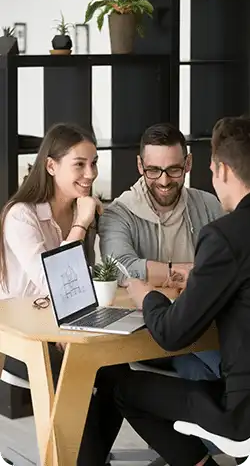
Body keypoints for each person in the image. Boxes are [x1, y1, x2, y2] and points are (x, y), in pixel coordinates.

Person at [115, 116, 250, 466]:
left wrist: (147, 295)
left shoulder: (225, 234)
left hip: (242, 413)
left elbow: (172, 333)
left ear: (219, 170)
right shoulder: (123, 211)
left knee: (122, 389)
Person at [0, 122, 128, 466]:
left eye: (94, 163)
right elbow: (52, 281)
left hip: (69, 327)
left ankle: (87, 459)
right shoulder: (21, 215)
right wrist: (81, 225)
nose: (90, 173)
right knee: (75, 378)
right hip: (23, 336)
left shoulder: (82, 208)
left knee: (120, 375)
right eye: (80, 164)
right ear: (51, 166)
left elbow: (100, 274)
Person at [99, 123, 222, 380]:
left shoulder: (208, 204)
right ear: (140, 166)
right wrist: (187, 273)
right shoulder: (119, 212)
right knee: (204, 372)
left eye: (174, 170)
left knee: (206, 371)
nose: (164, 181)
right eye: (153, 171)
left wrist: (159, 279)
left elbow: (226, 266)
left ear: (188, 163)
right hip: (148, 330)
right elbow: (120, 266)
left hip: (202, 323)